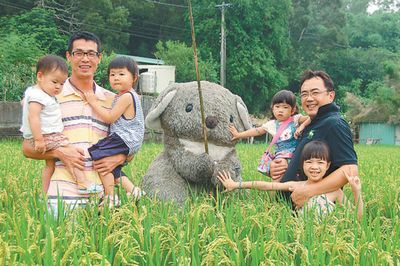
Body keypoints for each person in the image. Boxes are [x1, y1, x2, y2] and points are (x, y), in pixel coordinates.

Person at [22, 31, 128, 214]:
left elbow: (128, 144)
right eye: (78, 53)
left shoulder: (114, 101)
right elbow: (27, 148)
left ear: (99, 58)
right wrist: (59, 153)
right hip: (62, 196)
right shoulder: (48, 97)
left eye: (91, 54)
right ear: (69, 57)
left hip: (105, 196)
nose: (85, 59)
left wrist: (120, 158)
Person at [269, 70, 358, 208]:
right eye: (304, 94)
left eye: (315, 92)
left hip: (314, 215)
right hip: (293, 213)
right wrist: (284, 165)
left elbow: (350, 169)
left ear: (331, 95)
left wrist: (308, 191)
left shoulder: (334, 123)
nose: (309, 98)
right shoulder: (313, 122)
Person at [217, 141, 363, 220]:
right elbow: (267, 186)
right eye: (309, 162)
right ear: (302, 164)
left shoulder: (335, 192)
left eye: (320, 162)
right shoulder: (297, 186)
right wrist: (236, 184)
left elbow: (357, 219)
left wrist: (357, 192)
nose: (314, 167)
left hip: (326, 242)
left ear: (328, 166)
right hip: (301, 240)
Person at [20, 55, 102, 193]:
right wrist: (39, 139)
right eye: (55, 82)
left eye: (62, 83)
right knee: (72, 154)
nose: (58, 87)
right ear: (40, 76)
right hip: (48, 136)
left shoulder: (33, 92)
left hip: (43, 135)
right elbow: (33, 117)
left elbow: (24, 102)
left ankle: (45, 193)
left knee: (50, 166)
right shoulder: (39, 96)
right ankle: (83, 182)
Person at [83, 56, 145, 205]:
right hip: (129, 139)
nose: (116, 78)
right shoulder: (123, 96)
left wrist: (92, 102)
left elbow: (109, 118)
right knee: (113, 167)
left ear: (134, 78)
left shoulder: (126, 97)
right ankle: (133, 191)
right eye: (112, 74)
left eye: (121, 74)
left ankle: (110, 197)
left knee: (98, 156)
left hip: (125, 138)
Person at [229, 90, 310, 177]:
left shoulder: (296, 119)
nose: (280, 110)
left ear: (293, 110)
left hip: (297, 153)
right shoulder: (272, 124)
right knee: (277, 173)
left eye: (285, 107)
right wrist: (238, 135)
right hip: (281, 155)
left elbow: (311, 117)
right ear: (272, 108)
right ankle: (276, 189)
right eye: (277, 107)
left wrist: (302, 126)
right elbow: (257, 131)